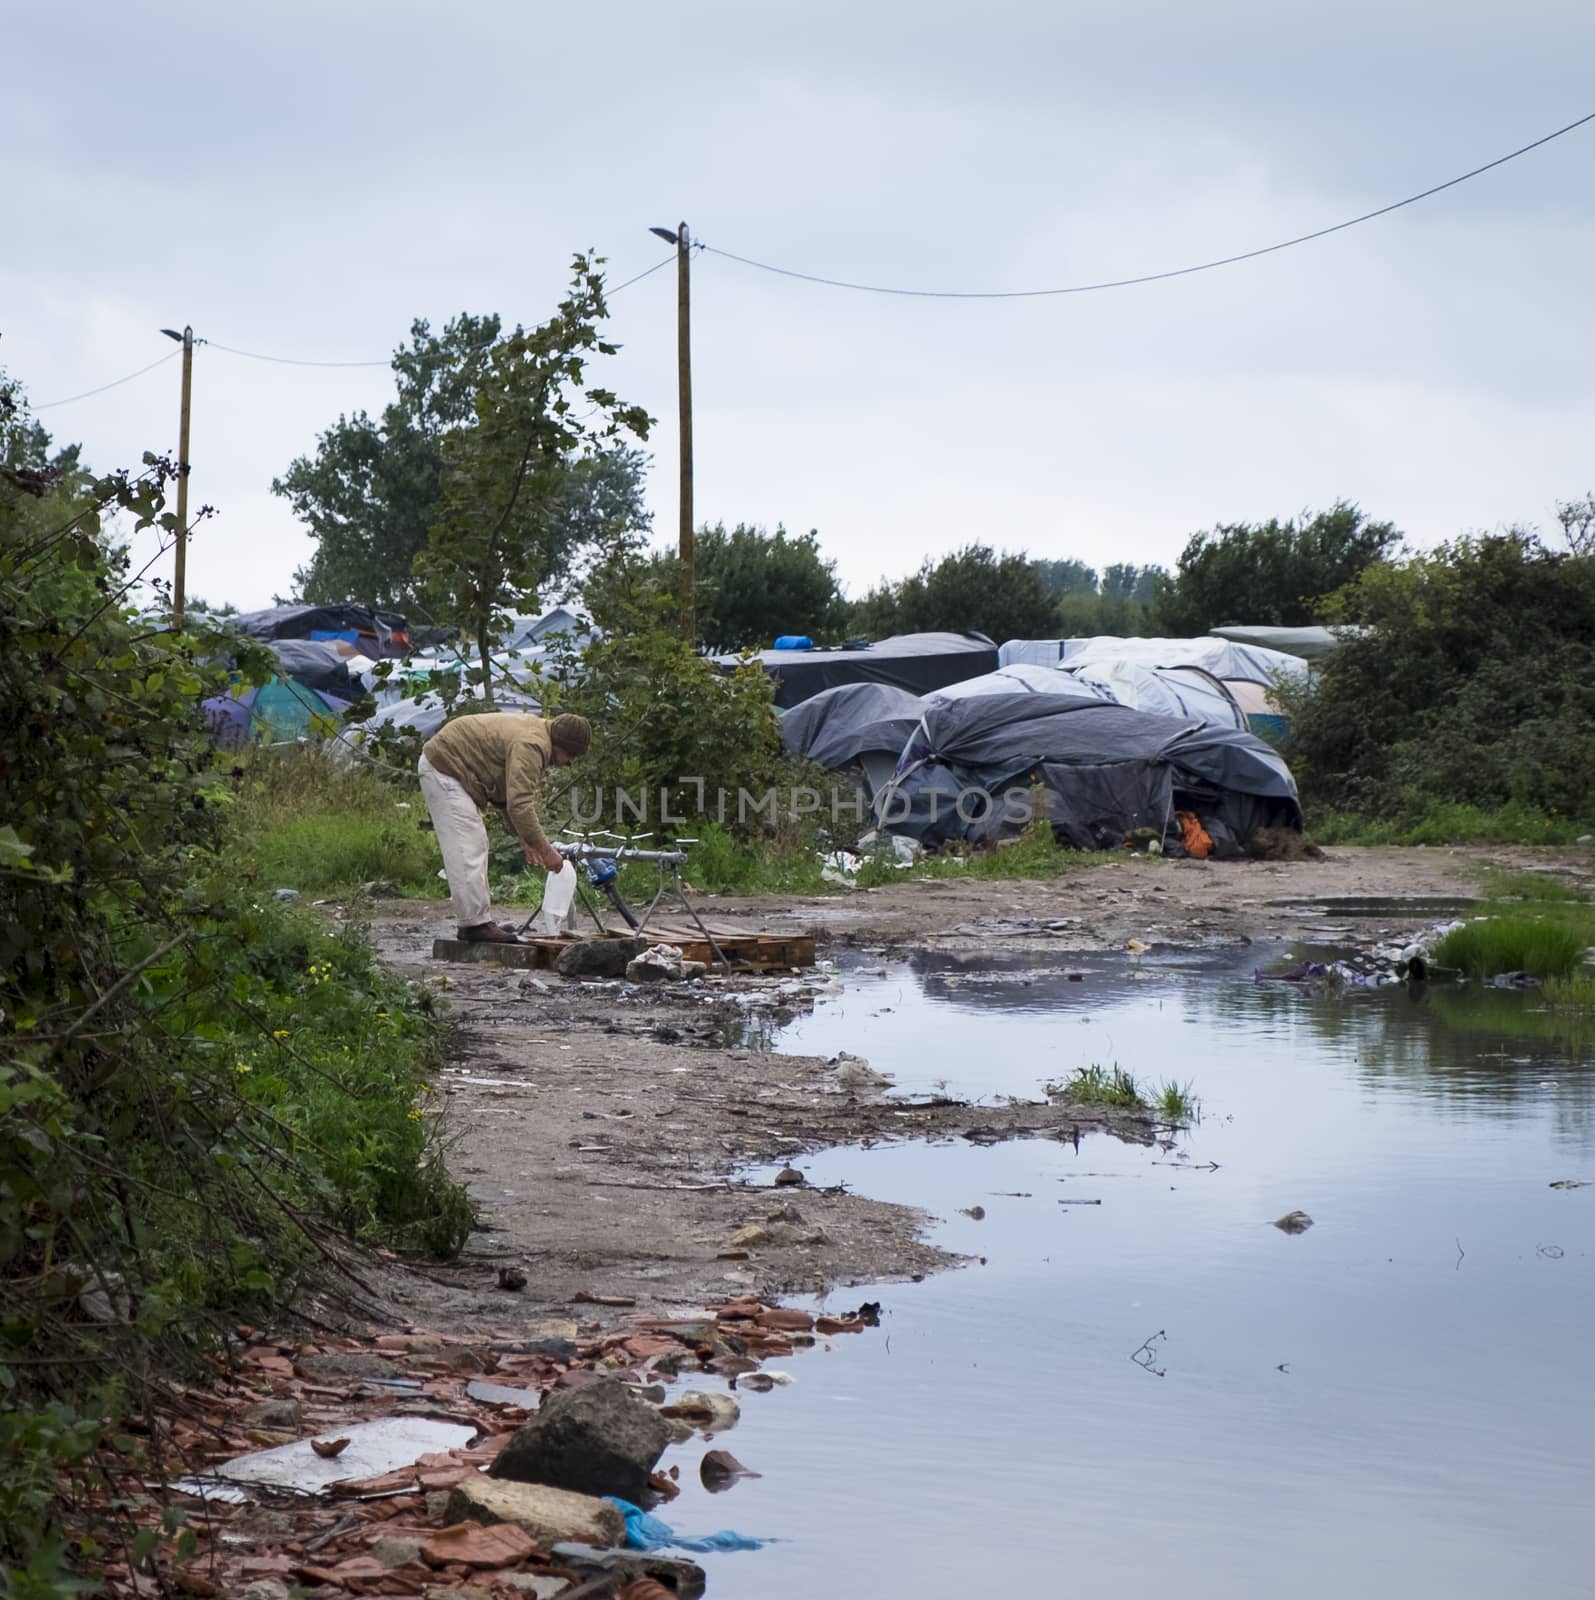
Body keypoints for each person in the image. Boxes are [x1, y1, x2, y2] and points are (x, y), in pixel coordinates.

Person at [417, 711, 592, 943]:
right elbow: (520, 804)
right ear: (560, 744)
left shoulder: (538, 735)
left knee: (475, 842)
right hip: (445, 766)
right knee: (468, 844)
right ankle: (475, 926)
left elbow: (509, 797)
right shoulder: (533, 745)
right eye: (570, 755)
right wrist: (546, 850)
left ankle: (477, 921)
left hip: (452, 767)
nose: (570, 763)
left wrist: (526, 837)